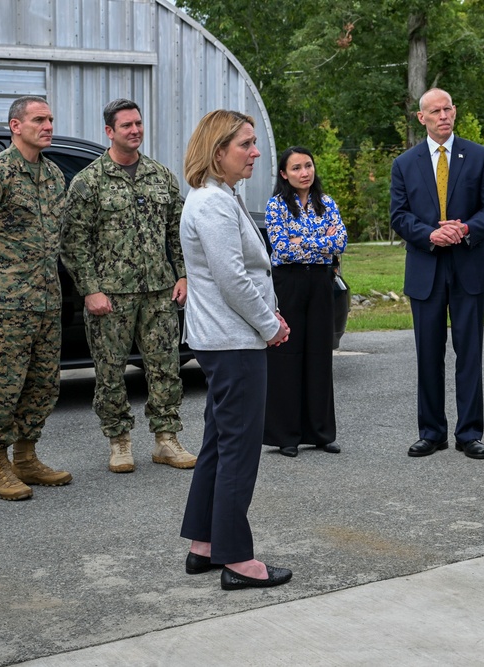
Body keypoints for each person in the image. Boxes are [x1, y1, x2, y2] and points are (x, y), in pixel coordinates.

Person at [178, 109, 293, 590]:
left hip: (227, 338)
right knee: (240, 450)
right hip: (234, 341)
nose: (256, 151)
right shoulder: (212, 203)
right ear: (217, 150)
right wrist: (269, 326)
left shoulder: (220, 197)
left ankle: (203, 544)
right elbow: (232, 279)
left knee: (219, 444)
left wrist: (268, 316)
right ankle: (236, 558)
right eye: (245, 144)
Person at [61, 98, 196, 474]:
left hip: (158, 292)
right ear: (110, 131)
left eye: (138, 123)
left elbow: (178, 230)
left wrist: (182, 274)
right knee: (109, 372)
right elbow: (74, 241)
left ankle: (166, 440)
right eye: (126, 126)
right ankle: (119, 442)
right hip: (111, 295)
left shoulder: (161, 176)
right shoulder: (89, 182)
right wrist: (91, 289)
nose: (135, 130)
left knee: (166, 367)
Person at [390, 88, 484, 460]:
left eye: (448, 108)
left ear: (455, 111)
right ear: (421, 117)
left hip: (469, 267)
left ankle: (469, 433)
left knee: (469, 353)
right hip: (426, 269)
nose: (444, 115)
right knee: (428, 353)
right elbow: (399, 215)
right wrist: (430, 234)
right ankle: (432, 432)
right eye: (435, 111)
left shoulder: (478, 156)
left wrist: (466, 229)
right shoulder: (405, 164)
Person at [0, 96, 73, 501]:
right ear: (15, 126)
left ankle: (25, 457)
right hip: (4, 304)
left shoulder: (55, 176)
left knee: (42, 384)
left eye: (50, 119)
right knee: (1, 386)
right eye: (39, 119)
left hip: (47, 300)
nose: (48, 125)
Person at [262, 147, 347, 458]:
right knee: (288, 355)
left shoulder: (326, 203)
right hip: (290, 283)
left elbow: (340, 242)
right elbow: (282, 249)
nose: (304, 172)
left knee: (319, 354)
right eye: (296, 168)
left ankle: (321, 433)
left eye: (308, 165)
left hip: (320, 282)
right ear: (284, 174)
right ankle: (286, 435)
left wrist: (306, 242)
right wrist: (320, 241)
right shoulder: (276, 206)